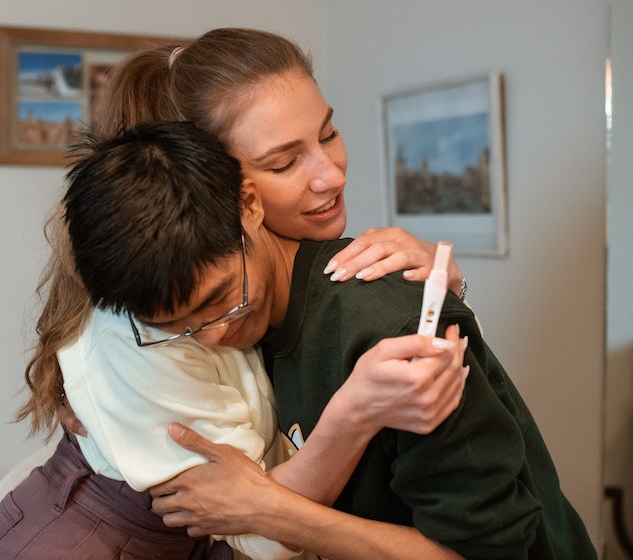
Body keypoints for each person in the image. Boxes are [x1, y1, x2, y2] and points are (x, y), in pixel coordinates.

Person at [0, 28, 468, 560]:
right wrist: (354, 412)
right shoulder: (146, 330)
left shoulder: (300, 267)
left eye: (330, 132)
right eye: (283, 162)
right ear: (220, 186)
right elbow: (262, 528)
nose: (330, 175)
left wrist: (442, 290)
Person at [54, 121, 595, 559]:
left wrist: (267, 508)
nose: (216, 333)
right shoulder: (235, 328)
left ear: (249, 205)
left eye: (222, 296)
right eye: (181, 326)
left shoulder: (393, 330)